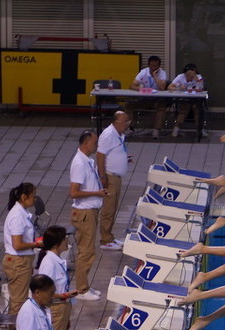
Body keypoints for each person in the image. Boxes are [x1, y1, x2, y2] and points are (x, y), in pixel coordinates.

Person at [69, 130, 108, 300]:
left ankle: (85, 286)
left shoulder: (87, 161)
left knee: (89, 250)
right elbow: (74, 193)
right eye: (94, 143)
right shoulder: (79, 163)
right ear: (86, 144)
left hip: (90, 210)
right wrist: (96, 193)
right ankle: (81, 290)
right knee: (85, 252)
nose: (96, 146)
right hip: (84, 213)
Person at [2, 182, 39, 316]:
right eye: (33, 196)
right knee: (19, 301)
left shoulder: (22, 212)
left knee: (20, 298)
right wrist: (36, 244)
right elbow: (17, 245)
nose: (35, 199)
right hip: (18, 262)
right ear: (24, 197)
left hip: (21, 261)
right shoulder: (17, 216)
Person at [96, 111, 130, 250]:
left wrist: (124, 158)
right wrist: (102, 176)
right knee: (108, 209)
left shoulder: (118, 135)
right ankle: (105, 240)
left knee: (114, 207)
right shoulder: (108, 135)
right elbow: (100, 155)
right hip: (109, 177)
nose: (128, 124)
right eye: (126, 121)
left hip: (116, 177)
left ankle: (109, 236)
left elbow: (113, 153)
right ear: (117, 122)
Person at [130, 55, 168, 137]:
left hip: (157, 100)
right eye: (151, 66)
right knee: (128, 106)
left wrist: (155, 75)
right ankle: (130, 128)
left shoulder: (162, 73)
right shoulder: (143, 72)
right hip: (144, 99)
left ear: (159, 66)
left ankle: (156, 130)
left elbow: (162, 88)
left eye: (155, 66)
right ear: (148, 65)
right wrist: (142, 90)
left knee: (162, 107)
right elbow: (132, 86)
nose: (153, 68)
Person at [168, 64, 205, 138]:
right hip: (184, 99)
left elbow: (201, 89)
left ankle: (200, 129)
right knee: (185, 108)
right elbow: (169, 87)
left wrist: (196, 80)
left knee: (197, 109)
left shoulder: (199, 77)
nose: (190, 76)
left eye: (192, 74)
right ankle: (176, 129)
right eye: (188, 74)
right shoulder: (180, 77)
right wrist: (178, 87)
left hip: (196, 99)